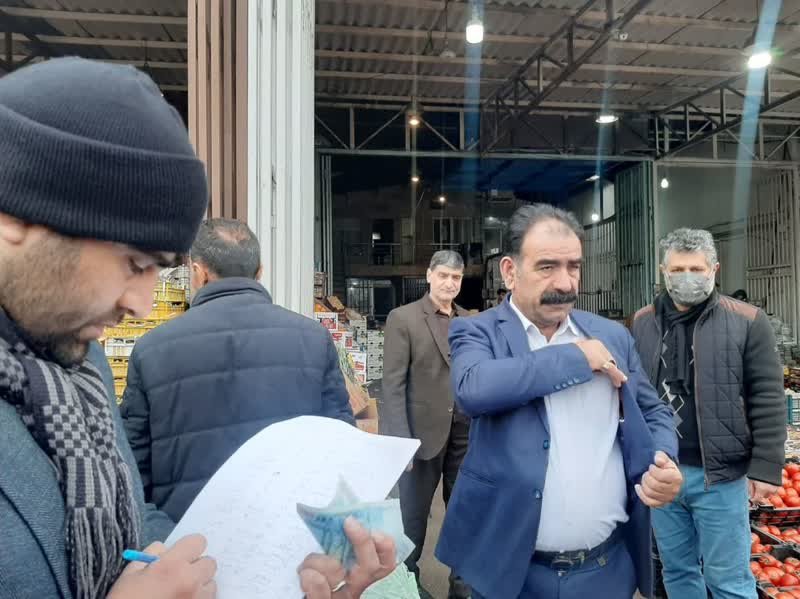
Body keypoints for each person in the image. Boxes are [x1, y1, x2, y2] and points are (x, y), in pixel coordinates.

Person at [0, 57, 392, 599]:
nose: (143, 305)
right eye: (134, 263)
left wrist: (252, 573)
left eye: (160, 269)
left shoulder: (80, 366)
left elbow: (130, 511)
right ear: (16, 219)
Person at [435, 204, 682, 599]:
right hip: (509, 573)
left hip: (605, 571)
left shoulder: (612, 336)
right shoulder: (478, 331)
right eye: (547, 267)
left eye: (574, 267)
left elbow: (652, 411)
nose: (565, 283)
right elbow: (474, 388)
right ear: (510, 271)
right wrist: (577, 357)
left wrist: (663, 459)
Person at [121, 218, 354, 521]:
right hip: (288, 528)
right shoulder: (313, 338)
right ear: (260, 272)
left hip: (185, 534)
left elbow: (131, 465)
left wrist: (158, 534)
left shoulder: (151, 349)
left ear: (198, 272)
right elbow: (342, 444)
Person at [631, 228, 785, 599]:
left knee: (729, 581)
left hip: (720, 476)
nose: (687, 277)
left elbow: (767, 395)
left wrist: (765, 466)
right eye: (678, 269)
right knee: (677, 571)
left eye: (696, 269)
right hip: (663, 470)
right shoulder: (643, 321)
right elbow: (637, 393)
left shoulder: (747, 321)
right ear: (663, 271)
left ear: (714, 269)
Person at [381, 250, 471, 599]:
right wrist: (400, 444)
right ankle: (408, 584)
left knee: (464, 514)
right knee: (412, 520)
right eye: (443, 275)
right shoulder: (403, 318)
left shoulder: (468, 321)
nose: (449, 283)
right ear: (430, 275)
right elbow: (392, 385)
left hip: (465, 434)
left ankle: (461, 588)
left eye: (456, 277)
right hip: (420, 437)